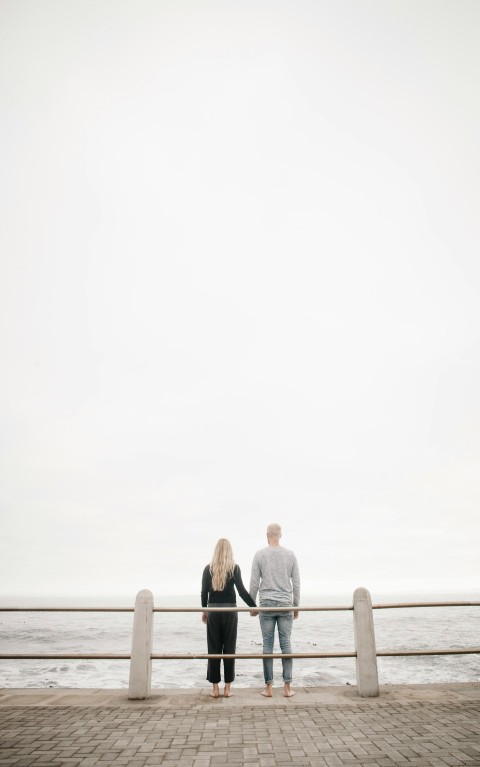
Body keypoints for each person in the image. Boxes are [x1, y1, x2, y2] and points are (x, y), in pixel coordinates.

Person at [249, 522, 300, 698]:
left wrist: (252, 606)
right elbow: (296, 582)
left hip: (267, 604)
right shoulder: (290, 555)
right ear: (280, 535)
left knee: (268, 645)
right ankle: (287, 687)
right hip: (286, 603)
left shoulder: (260, 555)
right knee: (286, 643)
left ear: (267, 535)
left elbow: (254, 582)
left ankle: (269, 688)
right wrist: (296, 605)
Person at [201, 538, 257, 698]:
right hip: (230, 611)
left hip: (213, 611)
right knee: (229, 648)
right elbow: (241, 591)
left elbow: (204, 592)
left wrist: (204, 611)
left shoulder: (208, 569)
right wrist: (253, 607)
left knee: (214, 648)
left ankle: (214, 689)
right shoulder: (234, 568)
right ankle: (227, 688)